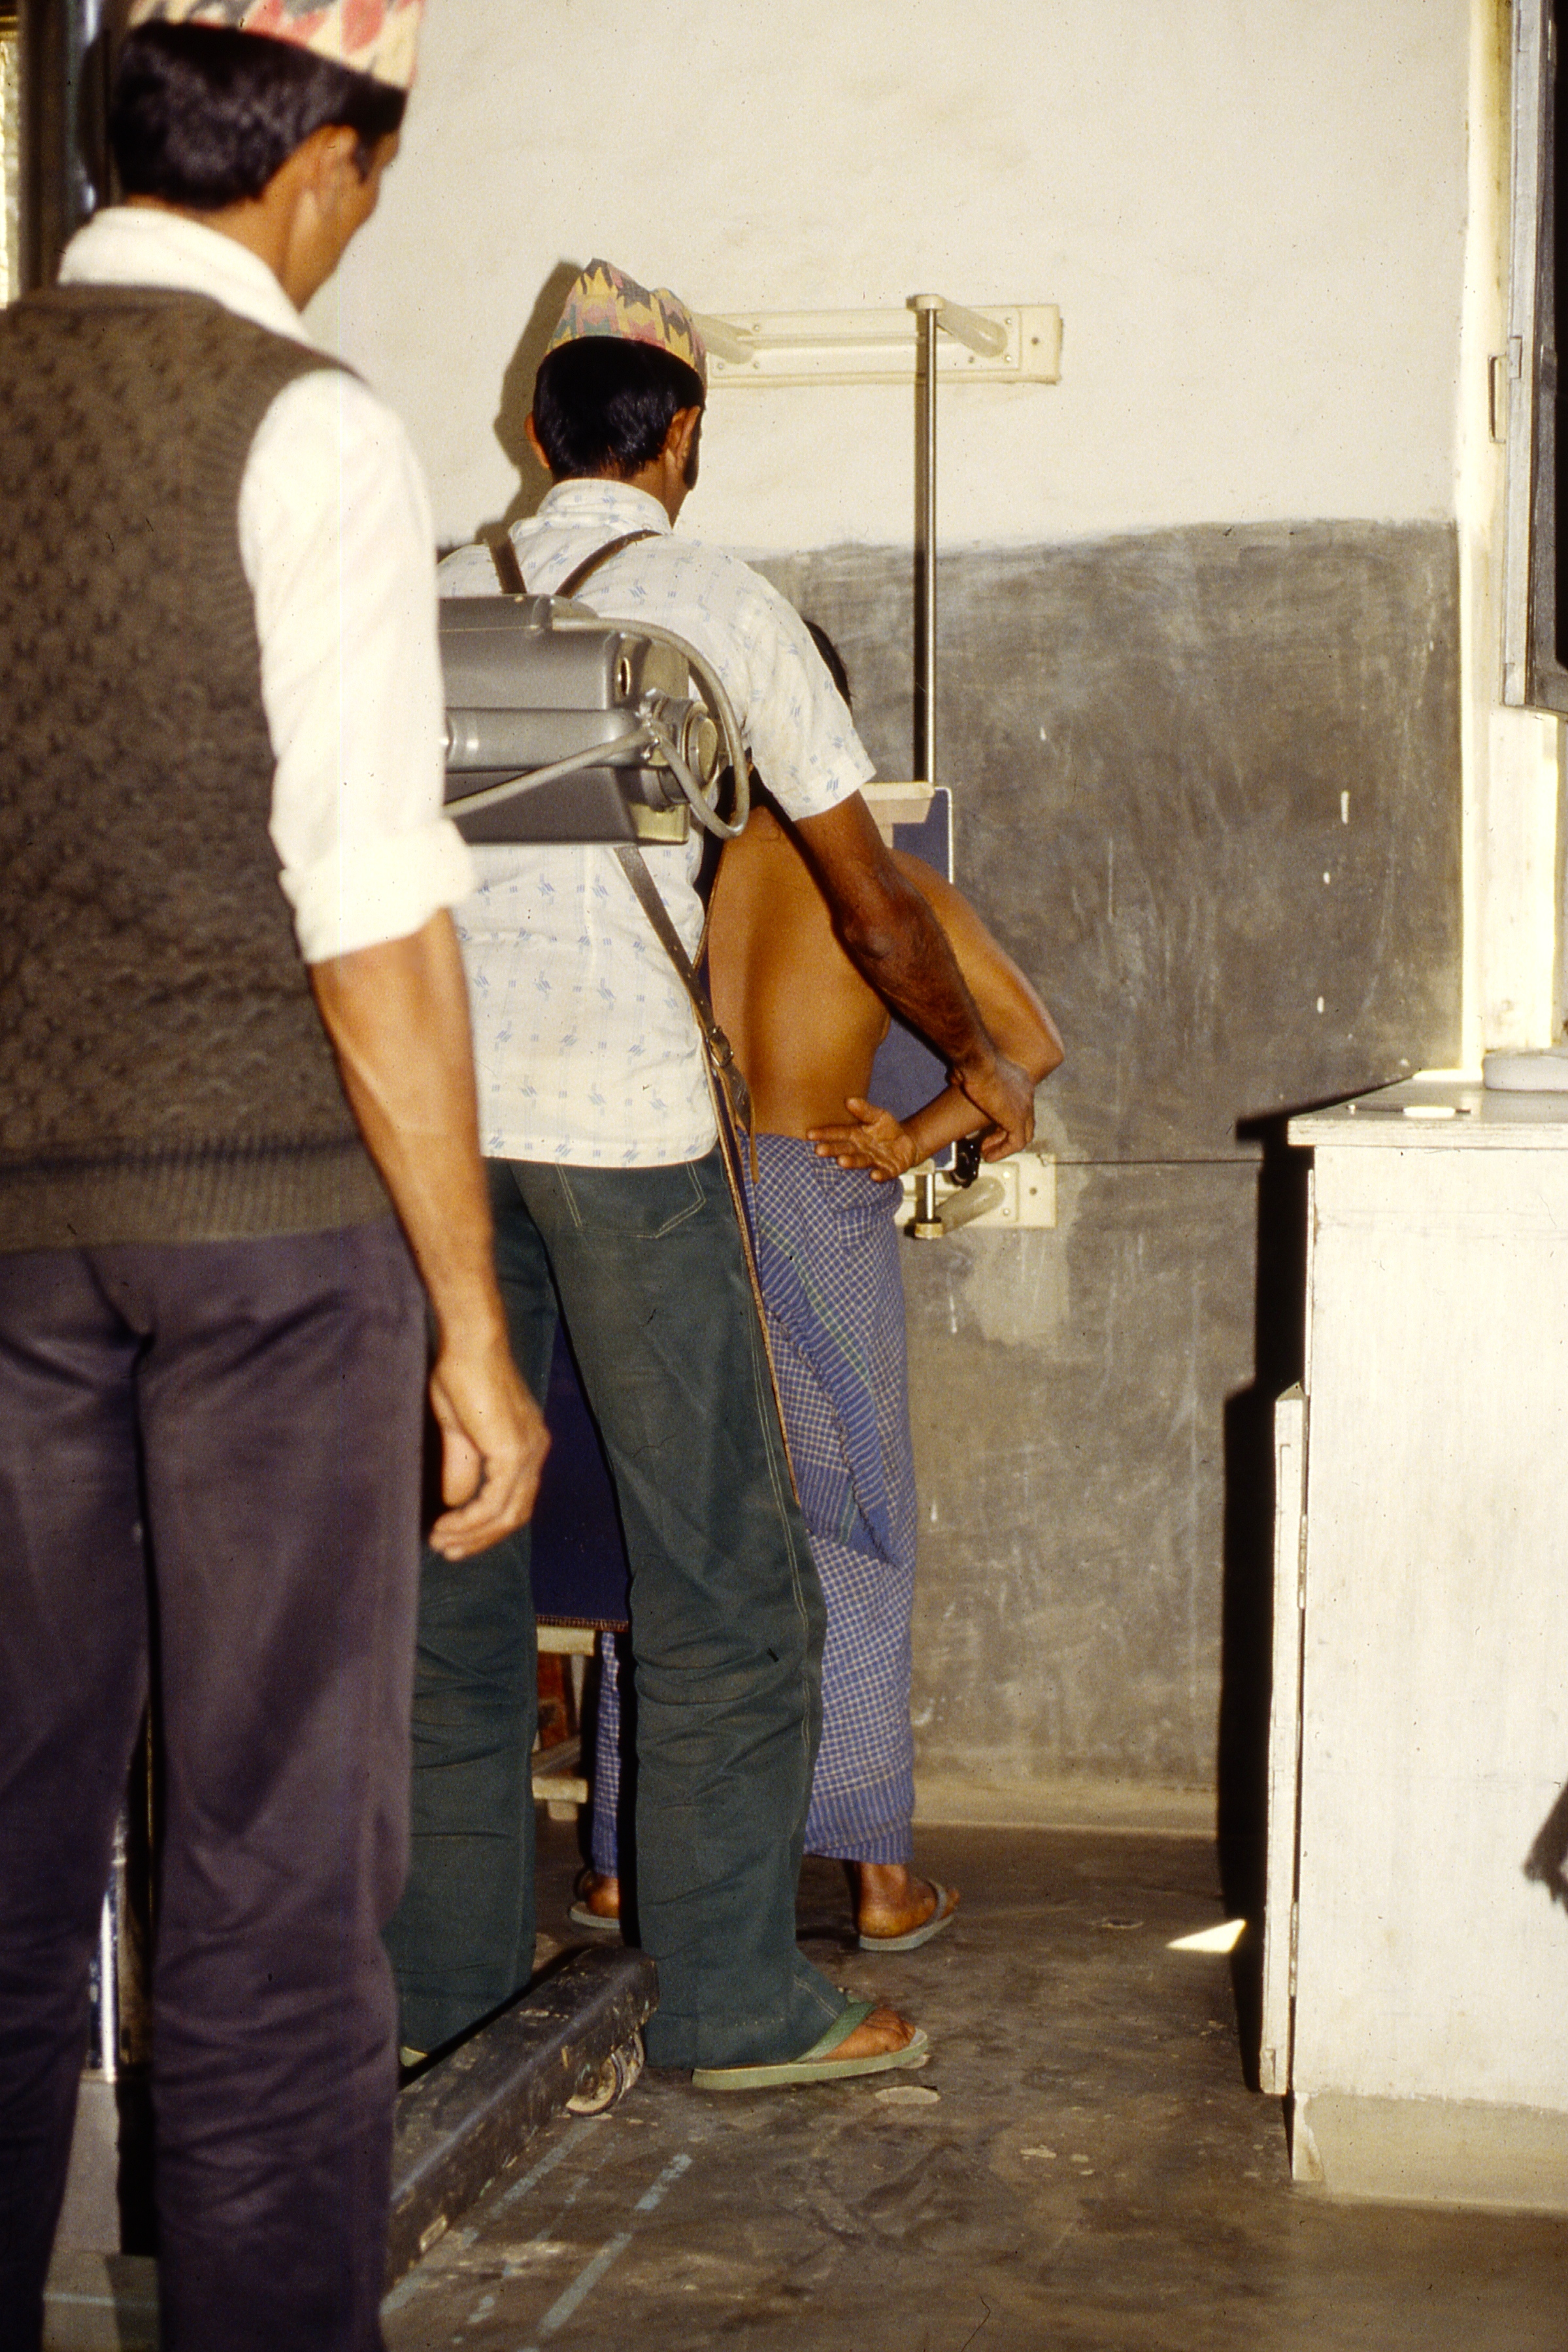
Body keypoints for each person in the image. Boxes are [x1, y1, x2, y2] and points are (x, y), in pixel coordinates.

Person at [0, 8, 548, 2346]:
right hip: (266, 1249)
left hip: (9, 1235)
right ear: (327, 160)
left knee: (6, 1877)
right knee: (269, 1896)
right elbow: (372, 915)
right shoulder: (305, 426)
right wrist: (473, 1325)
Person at [390, 260, 1037, 2091]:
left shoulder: (424, 600)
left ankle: (444, 1990)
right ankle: (735, 1994)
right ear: (679, 434)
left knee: (457, 1568)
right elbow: (874, 901)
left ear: (536, 432)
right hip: (628, 1141)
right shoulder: (720, 603)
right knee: (734, 1579)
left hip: (437, 1142)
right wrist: (978, 1066)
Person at [576, 631, 1063, 1951]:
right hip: (812, 1196)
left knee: (672, 1517)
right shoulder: (878, 886)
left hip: (675, 1195)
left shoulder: (671, 874)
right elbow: (1030, 1043)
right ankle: (878, 1881)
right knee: (852, 1527)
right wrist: (915, 1138)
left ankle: (620, 1862)